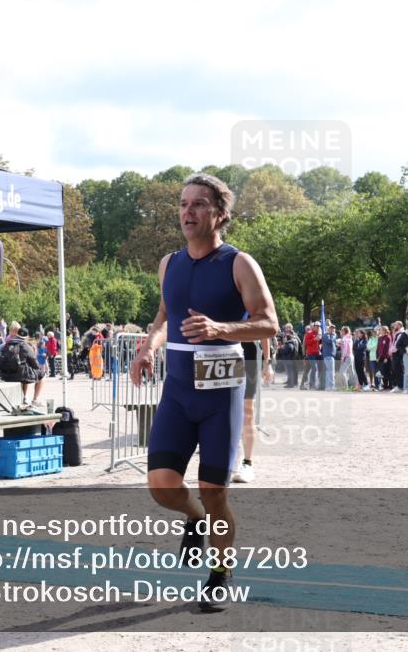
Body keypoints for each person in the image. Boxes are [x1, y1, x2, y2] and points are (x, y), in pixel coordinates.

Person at [129, 173, 277, 612]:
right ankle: (194, 519)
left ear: (220, 214)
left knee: (214, 490)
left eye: (198, 204)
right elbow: (163, 316)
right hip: (177, 391)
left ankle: (220, 573)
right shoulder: (168, 264)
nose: (187, 211)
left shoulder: (239, 263)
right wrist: (147, 349)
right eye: (182, 204)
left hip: (220, 395)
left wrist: (221, 328)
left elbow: (268, 321)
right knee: (161, 486)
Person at [234, 337, 273, 484]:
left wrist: (267, 363)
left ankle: (247, 463)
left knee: (247, 410)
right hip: (220, 354)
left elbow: (264, 332)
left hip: (247, 356)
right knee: (221, 408)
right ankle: (232, 456)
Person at [0, 321, 46, 409]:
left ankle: (23, 398)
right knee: (42, 375)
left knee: (23, 371)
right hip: (19, 375)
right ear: (26, 336)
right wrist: (38, 367)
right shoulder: (25, 345)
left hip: (5, 374)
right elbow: (34, 363)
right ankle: (35, 400)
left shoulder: (7, 344)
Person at [301, 323, 322, 391]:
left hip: (316, 354)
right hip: (310, 354)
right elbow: (306, 343)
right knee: (313, 369)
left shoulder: (318, 334)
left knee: (309, 370)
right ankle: (311, 385)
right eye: (316, 326)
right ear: (313, 327)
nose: (317, 328)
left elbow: (320, 344)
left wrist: (320, 340)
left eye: (318, 327)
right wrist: (304, 355)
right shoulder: (309, 333)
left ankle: (306, 384)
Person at [279, 324, 300, 388]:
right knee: (291, 370)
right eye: (286, 328)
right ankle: (292, 382)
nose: (286, 330)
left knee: (291, 370)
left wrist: (282, 348)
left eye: (288, 328)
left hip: (292, 356)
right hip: (293, 356)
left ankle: (291, 383)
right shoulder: (292, 338)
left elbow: (289, 348)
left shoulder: (293, 338)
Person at [389, 321, 407, 393]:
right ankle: (399, 385)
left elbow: (397, 344)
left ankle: (401, 386)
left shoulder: (401, 333)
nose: (394, 326)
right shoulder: (396, 333)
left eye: (395, 325)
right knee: (396, 369)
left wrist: (391, 350)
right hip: (395, 353)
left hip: (398, 354)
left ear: (399, 325)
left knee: (399, 369)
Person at [338, 326, 357, 391]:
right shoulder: (349, 338)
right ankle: (354, 386)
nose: (340, 332)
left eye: (341, 330)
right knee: (351, 372)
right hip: (351, 356)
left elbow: (345, 349)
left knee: (342, 372)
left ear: (344, 332)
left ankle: (346, 387)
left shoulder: (344, 338)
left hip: (347, 357)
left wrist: (342, 357)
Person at [321, 324, 338, 391]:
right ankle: (331, 386)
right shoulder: (326, 335)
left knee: (329, 372)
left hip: (330, 356)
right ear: (328, 329)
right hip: (328, 356)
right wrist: (334, 335)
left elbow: (332, 343)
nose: (333, 330)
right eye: (331, 328)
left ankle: (328, 386)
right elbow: (330, 341)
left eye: (334, 328)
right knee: (331, 372)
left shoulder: (330, 335)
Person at [376, 325, 392, 390]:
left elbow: (388, 348)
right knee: (382, 372)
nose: (380, 331)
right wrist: (377, 356)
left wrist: (386, 357)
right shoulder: (379, 338)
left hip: (386, 357)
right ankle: (385, 385)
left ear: (385, 330)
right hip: (380, 357)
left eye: (381, 330)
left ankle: (390, 385)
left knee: (387, 371)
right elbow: (378, 348)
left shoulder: (388, 337)